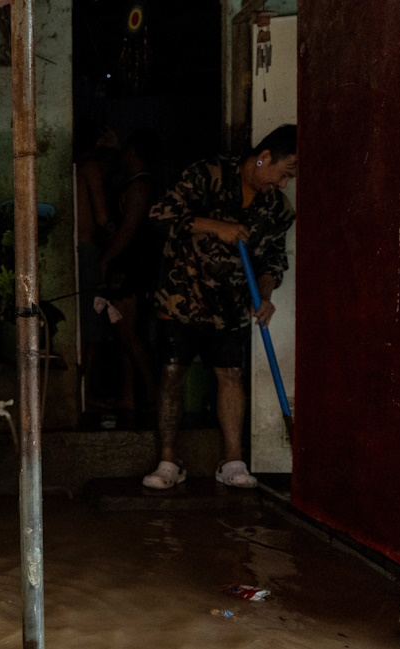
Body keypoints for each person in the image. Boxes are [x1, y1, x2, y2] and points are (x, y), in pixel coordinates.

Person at [143, 124, 297, 490]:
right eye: (285, 172)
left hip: (231, 304)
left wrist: (266, 295)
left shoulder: (277, 207)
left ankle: (232, 460)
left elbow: (274, 259)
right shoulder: (208, 174)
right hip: (182, 297)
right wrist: (216, 226)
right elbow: (159, 216)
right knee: (172, 372)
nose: (285, 183)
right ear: (264, 158)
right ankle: (168, 461)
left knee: (230, 375)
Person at [97, 130, 160, 424]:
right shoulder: (137, 184)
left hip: (132, 269)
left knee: (128, 333)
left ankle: (151, 394)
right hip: (131, 266)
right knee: (124, 333)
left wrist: (107, 257)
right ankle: (129, 396)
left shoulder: (140, 185)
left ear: (134, 152)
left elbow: (128, 230)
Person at [74, 126, 121, 410]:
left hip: (78, 250)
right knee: (92, 325)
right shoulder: (90, 168)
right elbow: (102, 217)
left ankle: (80, 394)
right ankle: (86, 394)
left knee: (85, 322)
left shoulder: (76, 168)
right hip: (87, 250)